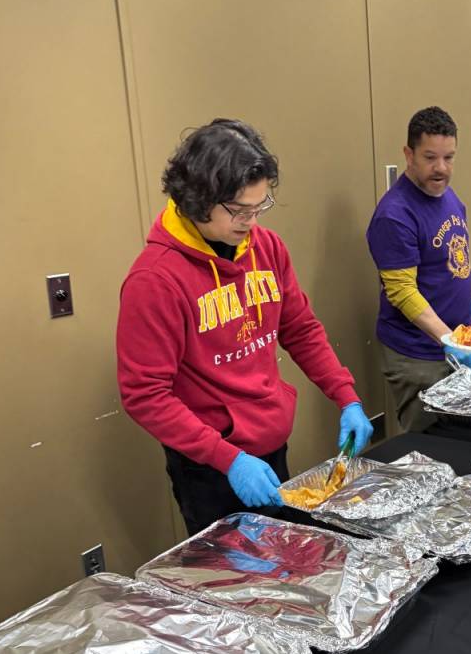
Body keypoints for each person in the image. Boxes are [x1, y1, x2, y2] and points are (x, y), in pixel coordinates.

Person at [117, 118, 373, 536]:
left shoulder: (267, 249)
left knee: (281, 563)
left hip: (269, 447)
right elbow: (144, 395)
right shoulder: (155, 281)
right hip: (209, 465)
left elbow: (301, 329)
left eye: (260, 206)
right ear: (198, 200)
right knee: (234, 587)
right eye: (239, 210)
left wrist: (346, 397)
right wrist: (228, 459)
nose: (251, 221)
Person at [366, 106, 471, 431]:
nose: (441, 169)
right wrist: (448, 338)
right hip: (418, 355)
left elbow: (447, 261)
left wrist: (468, 301)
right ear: (408, 154)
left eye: (449, 158)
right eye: (430, 157)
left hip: (454, 343)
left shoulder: (448, 196)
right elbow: (402, 291)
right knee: (432, 445)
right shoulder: (395, 215)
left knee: (470, 435)